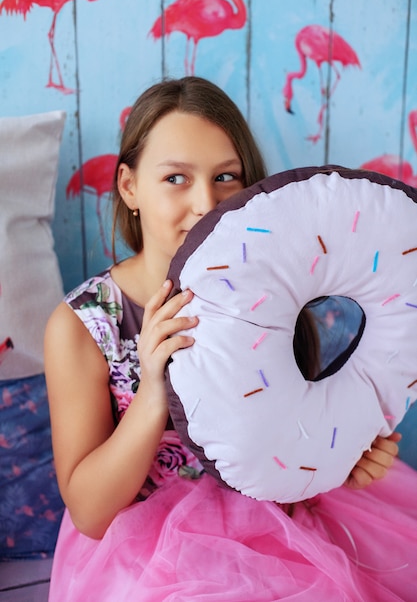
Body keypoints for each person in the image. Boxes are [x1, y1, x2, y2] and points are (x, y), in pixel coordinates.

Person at [45, 77, 417, 601]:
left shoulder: (277, 302)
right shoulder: (85, 325)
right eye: (176, 177)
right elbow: (88, 510)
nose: (205, 203)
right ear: (129, 187)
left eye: (226, 177)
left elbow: (294, 442)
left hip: (279, 525)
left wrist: (337, 467)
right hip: (147, 553)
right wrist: (154, 391)